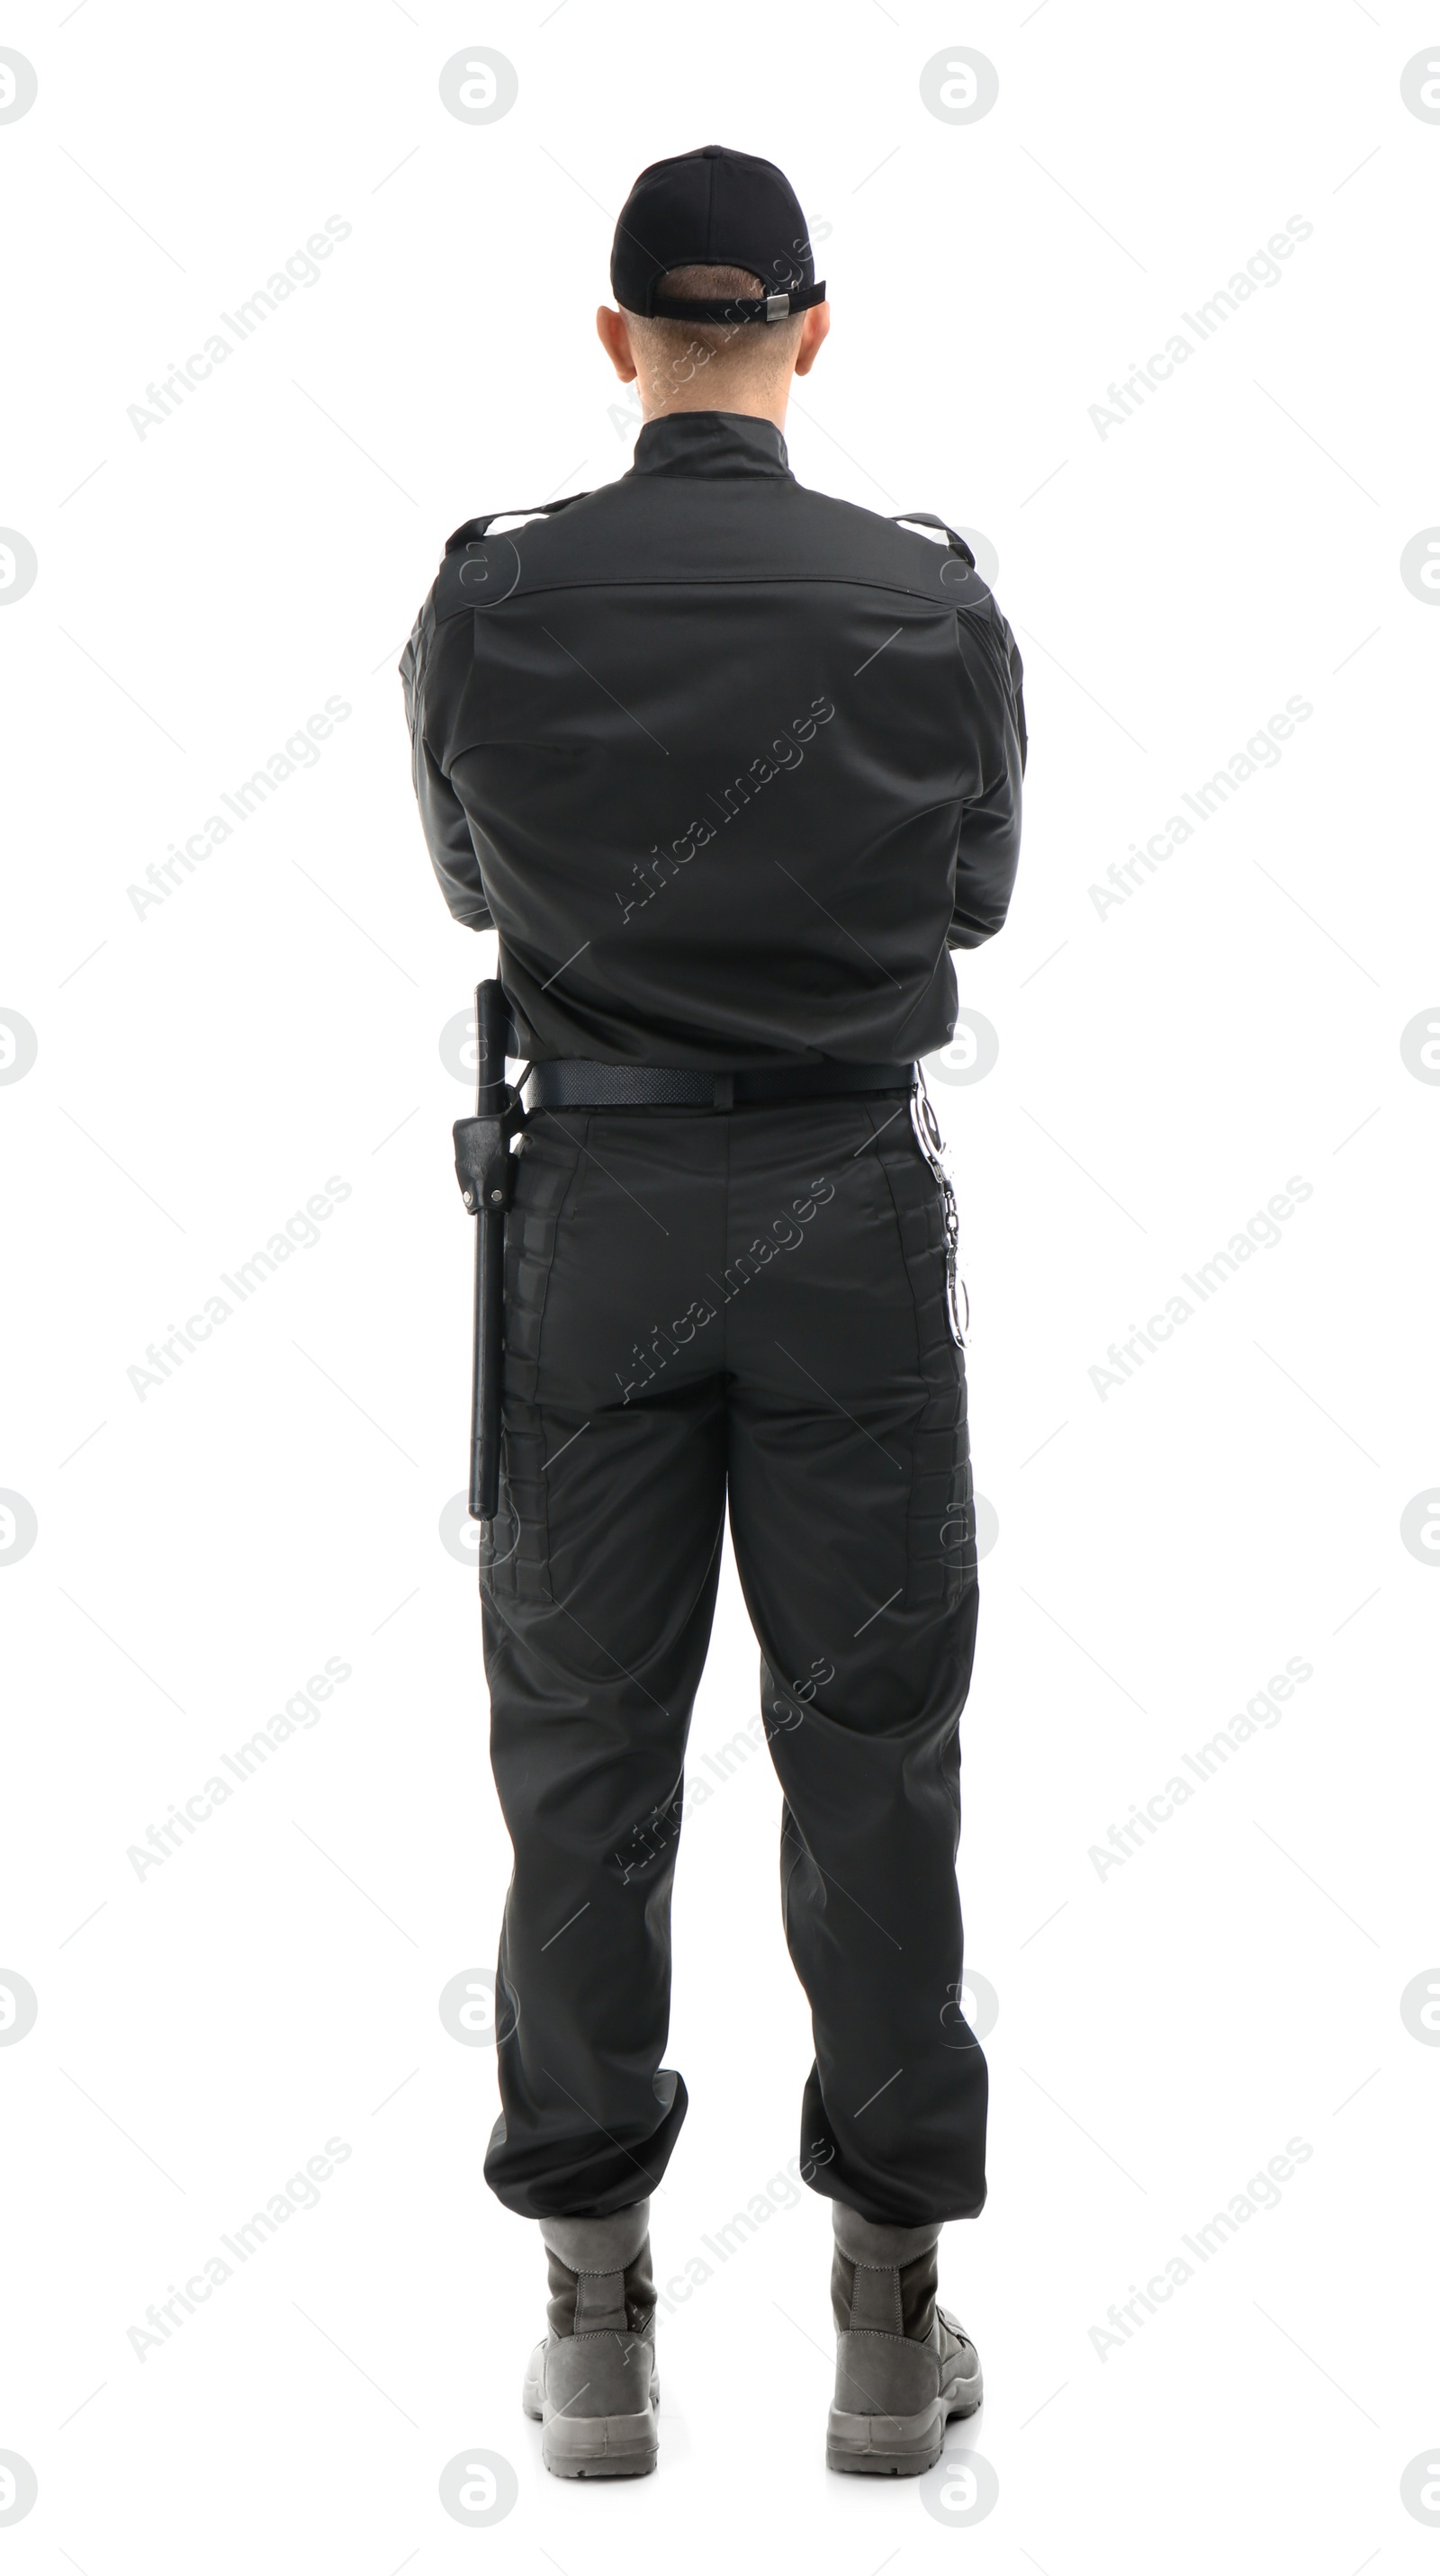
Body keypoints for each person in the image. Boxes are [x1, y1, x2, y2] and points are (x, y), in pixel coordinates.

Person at [400, 140, 1026, 2481]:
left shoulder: (498, 596)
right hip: (855, 1205)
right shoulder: (922, 598)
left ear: (612, 338)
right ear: (815, 334)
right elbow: (975, 883)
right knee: (875, 1762)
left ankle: (591, 2334)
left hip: (602, 1212)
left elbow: (470, 875)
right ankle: (888, 2326)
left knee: (582, 1766)